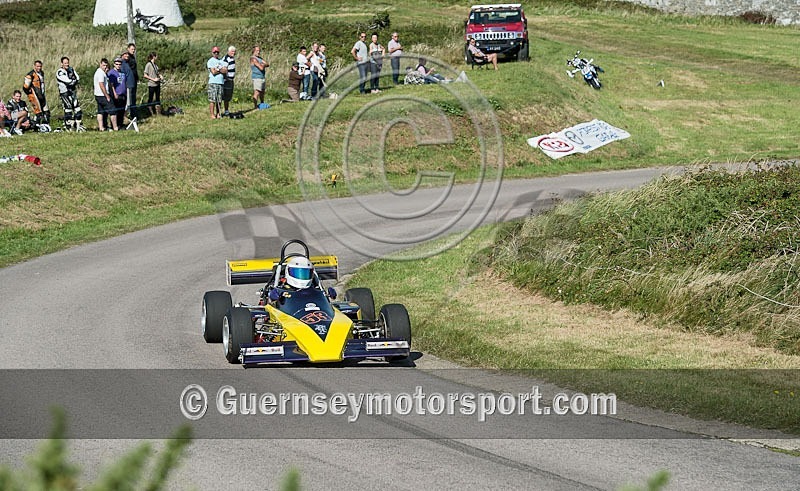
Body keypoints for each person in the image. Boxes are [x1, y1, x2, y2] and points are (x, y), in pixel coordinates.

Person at [55, 56, 84, 131]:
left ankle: (77, 126)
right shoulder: (60, 72)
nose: (67, 64)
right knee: (68, 110)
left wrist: (73, 81)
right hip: (65, 93)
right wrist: (73, 81)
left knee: (78, 110)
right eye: (65, 63)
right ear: (61, 64)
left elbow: (77, 78)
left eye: (67, 63)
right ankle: (68, 127)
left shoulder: (71, 69)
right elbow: (67, 81)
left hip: (72, 92)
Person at [22, 60, 49, 126]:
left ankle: (46, 125)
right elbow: (25, 87)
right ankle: (36, 127)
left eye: (40, 66)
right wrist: (30, 94)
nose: (39, 68)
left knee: (46, 112)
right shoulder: (30, 75)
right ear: (34, 66)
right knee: (38, 113)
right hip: (34, 96)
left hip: (41, 94)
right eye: (37, 66)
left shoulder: (41, 73)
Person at [93, 58, 116, 131]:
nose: (105, 67)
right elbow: (101, 84)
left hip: (98, 95)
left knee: (100, 111)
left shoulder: (100, 72)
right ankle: (115, 127)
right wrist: (107, 95)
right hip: (102, 95)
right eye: (103, 65)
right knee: (113, 111)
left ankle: (101, 127)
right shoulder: (100, 73)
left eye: (106, 65)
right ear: (100, 64)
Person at [107, 57, 127, 128]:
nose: (118, 65)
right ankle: (114, 125)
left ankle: (120, 124)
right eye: (117, 64)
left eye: (119, 64)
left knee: (122, 110)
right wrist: (115, 93)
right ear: (114, 64)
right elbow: (111, 85)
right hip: (116, 94)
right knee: (116, 111)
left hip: (123, 94)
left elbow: (124, 83)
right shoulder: (111, 73)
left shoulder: (122, 73)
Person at [207, 46, 225, 119]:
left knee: (219, 99)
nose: (216, 53)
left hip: (220, 82)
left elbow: (225, 71)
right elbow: (213, 72)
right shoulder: (210, 61)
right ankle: (212, 114)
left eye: (217, 52)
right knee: (212, 99)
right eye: (215, 52)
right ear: (212, 53)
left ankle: (218, 113)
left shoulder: (221, 61)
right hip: (213, 82)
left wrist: (218, 70)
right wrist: (220, 70)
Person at [143, 51, 163, 116]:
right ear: (154, 57)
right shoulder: (148, 64)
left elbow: (157, 73)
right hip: (151, 84)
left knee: (158, 98)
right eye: (156, 56)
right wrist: (153, 79)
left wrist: (160, 76)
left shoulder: (156, 65)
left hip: (157, 84)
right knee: (150, 98)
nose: (157, 57)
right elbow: (145, 75)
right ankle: (150, 113)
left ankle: (158, 113)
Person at [125, 43, 139, 119]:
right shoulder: (127, 58)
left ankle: (134, 114)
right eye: (132, 49)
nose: (133, 51)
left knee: (133, 98)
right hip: (129, 81)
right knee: (129, 99)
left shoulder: (133, 57)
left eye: (134, 49)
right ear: (128, 49)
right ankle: (130, 114)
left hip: (134, 79)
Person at [221, 45, 236, 114]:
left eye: (234, 51)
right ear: (228, 51)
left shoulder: (232, 58)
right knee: (225, 95)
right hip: (227, 80)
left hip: (230, 79)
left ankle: (226, 110)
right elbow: (223, 69)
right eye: (232, 51)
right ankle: (224, 111)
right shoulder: (226, 59)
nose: (233, 53)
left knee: (228, 96)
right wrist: (226, 78)